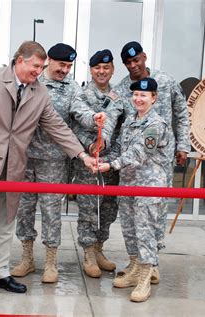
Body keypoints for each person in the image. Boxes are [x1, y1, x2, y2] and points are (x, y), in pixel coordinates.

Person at [0, 41, 104, 301]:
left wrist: (82, 155)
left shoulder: (39, 93)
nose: (39, 72)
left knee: (5, 223)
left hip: (13, 168)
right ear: (20, 60)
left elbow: (57, 127)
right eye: (35, 66)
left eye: (42, 67)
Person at [12, 43, 107, 284]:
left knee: (51, 211)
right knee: (24, 210)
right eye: (61, 65)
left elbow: (80, 111)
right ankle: (27, 258)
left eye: (69, 66)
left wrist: (92, 118)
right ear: (48, 62)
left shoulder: (72, 88)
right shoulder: (31, 80)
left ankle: (51, 262)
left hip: (53, 161)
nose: (65, 70)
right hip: (24, 157)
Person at [111, 41, 190, 278]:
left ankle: (152, 263)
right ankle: (137, 263)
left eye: (137, 60)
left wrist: (184, 145)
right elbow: (114, 118)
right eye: (128, 63)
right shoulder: (124, 88)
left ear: (144, 57)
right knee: (133, 213)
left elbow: (182, 112)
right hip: (133, 163)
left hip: (160, 160)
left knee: (156, 209)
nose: (133, 66)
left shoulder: (165, 81)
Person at [99, 77, 172, 302]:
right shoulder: (130, 121)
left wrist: (111, 165)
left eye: (143, 95)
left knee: (146, 232)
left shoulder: (156, 124)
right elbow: (121, 150)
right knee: (130, 230)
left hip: (149, 187)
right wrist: (101, 158)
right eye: (135, 95)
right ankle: (134, 268)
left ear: (153, 98)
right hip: (128, 184)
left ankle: (145, 277)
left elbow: (138, 153)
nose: (138, 99)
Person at [72, 49, 121, 277]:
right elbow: (75, 127)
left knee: (109, 208)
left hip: (112, 163)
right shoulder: (82, 95)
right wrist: (91, 145)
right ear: (91, 70)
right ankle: (89, 253)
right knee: (89, 208)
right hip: (90, 162)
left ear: (112, 70)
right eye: (97, 68)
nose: (102, 72)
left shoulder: (120, 95)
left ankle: (100, 249)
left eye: (106, 67)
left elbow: (123, 128)